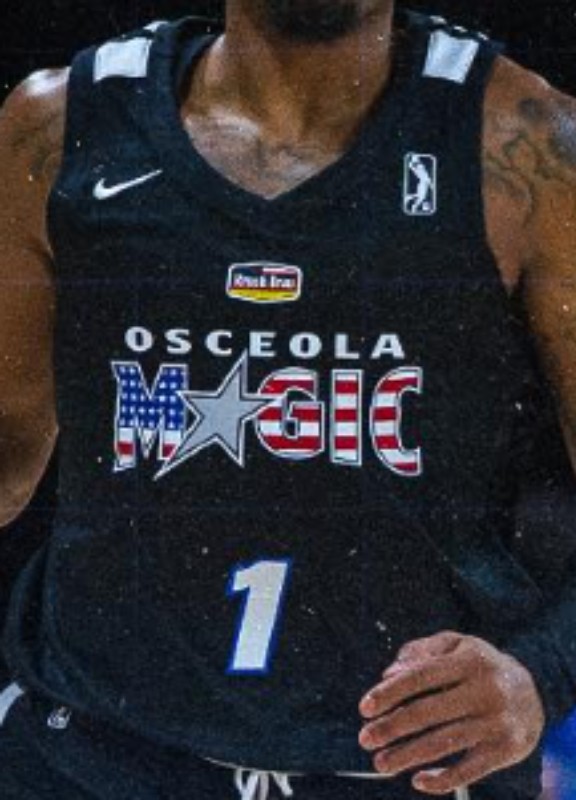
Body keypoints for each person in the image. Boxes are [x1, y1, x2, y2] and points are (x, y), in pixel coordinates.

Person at [0, 1, 576, 798]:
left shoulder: (530, 147)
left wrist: (541, 674)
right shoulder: (55, 128)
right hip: (91, 756)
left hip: (407, 771)